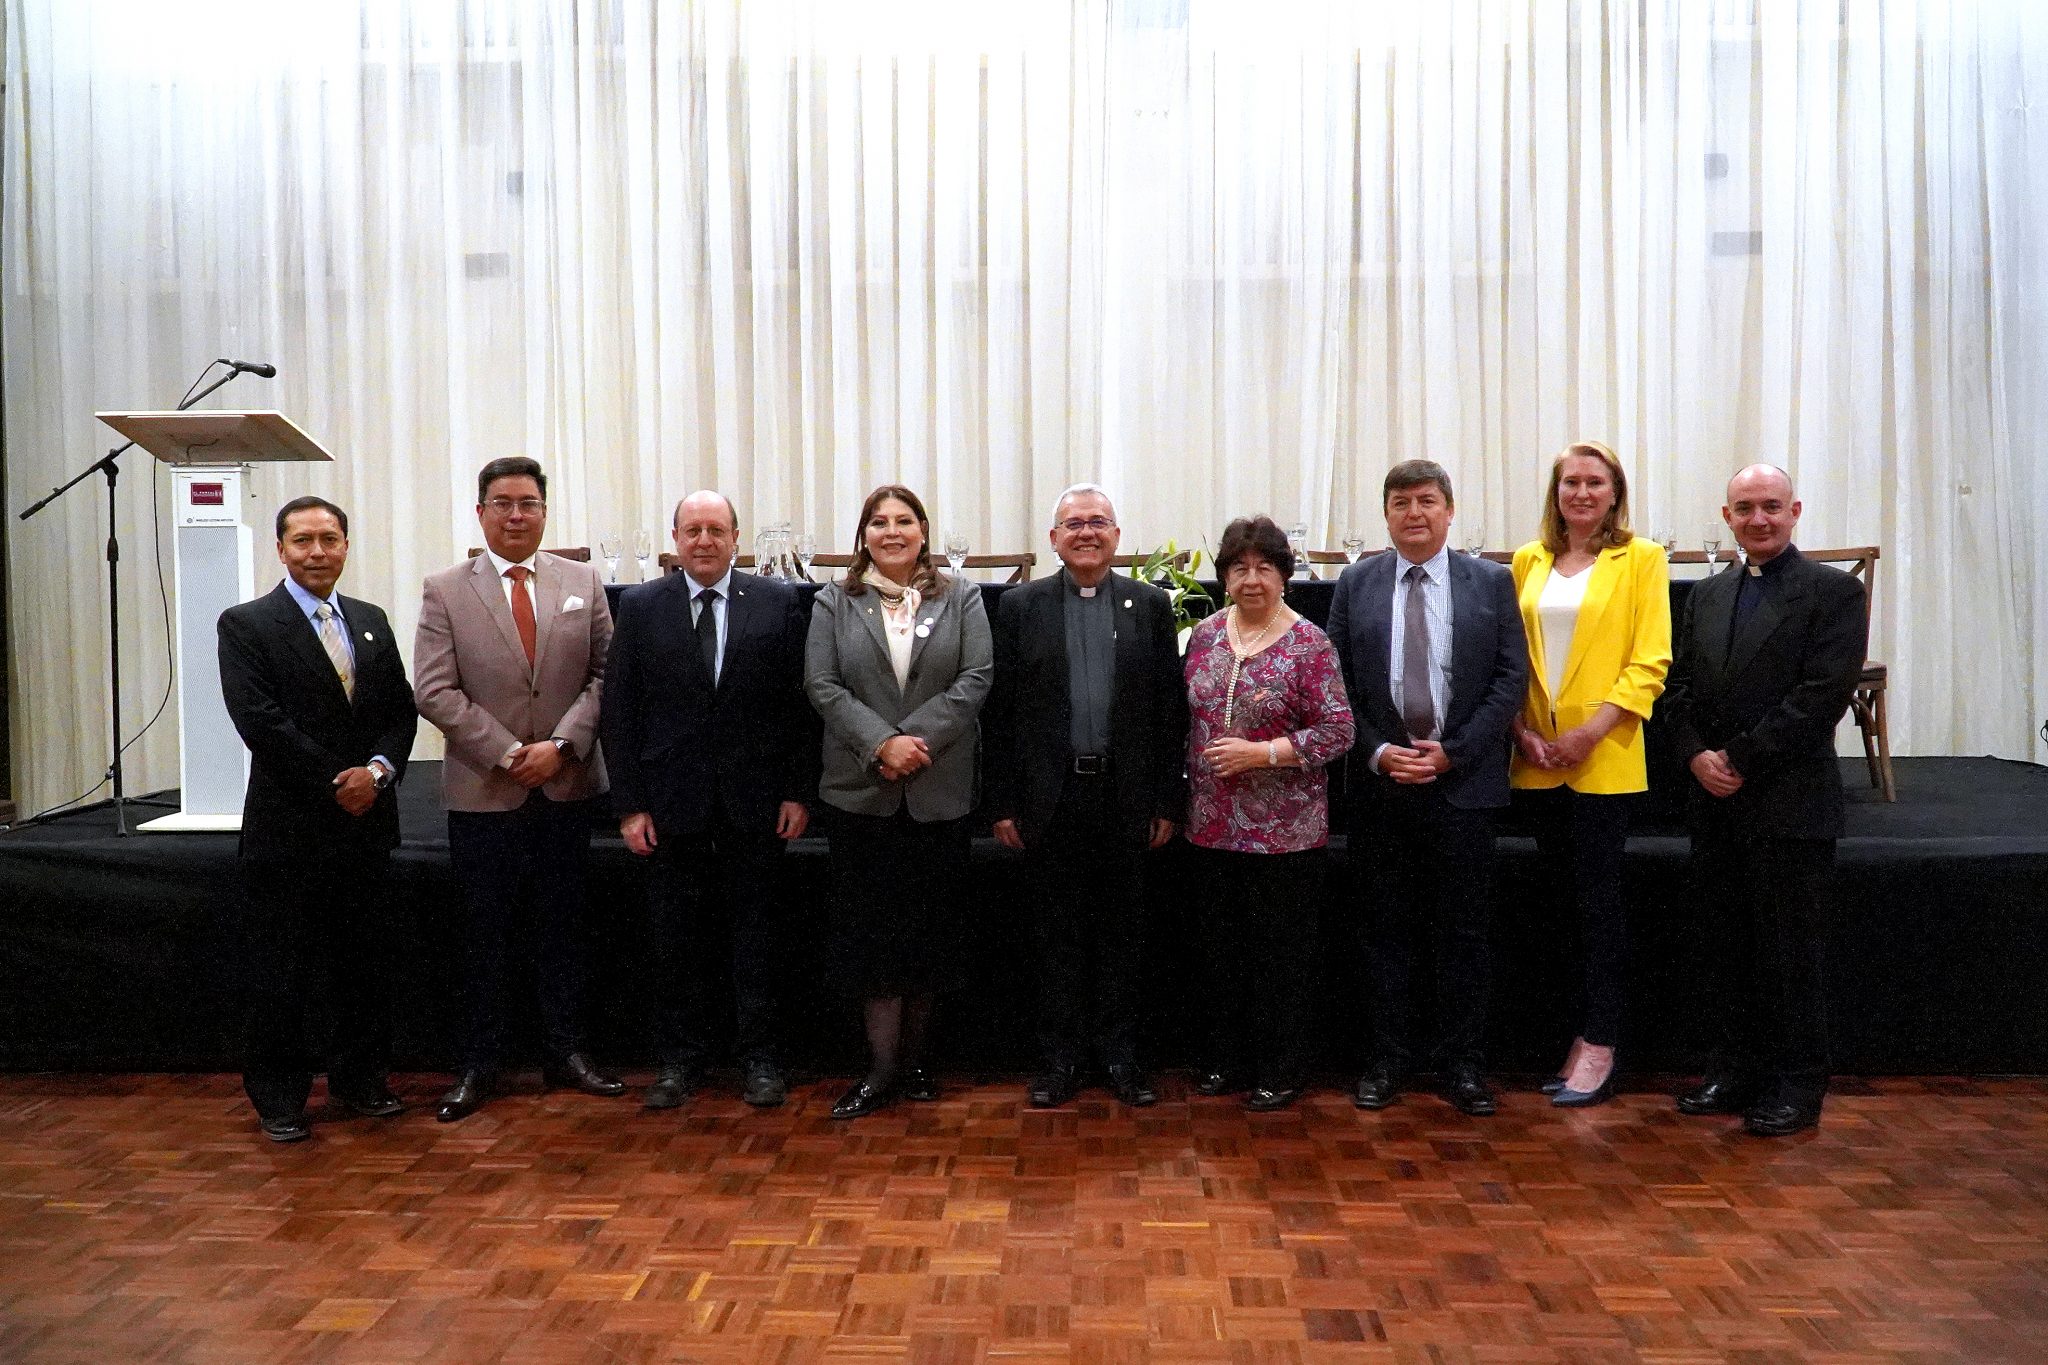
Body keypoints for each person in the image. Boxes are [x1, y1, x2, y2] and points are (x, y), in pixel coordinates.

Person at [413, 457, 624, 1122]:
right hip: (485, 791)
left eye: (528, 503)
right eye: (501, 503)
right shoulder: (446, 589)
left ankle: (568, 1052)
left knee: (565, 930)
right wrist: (507, 752)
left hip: (566, 787)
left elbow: (607, 674)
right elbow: (434, 689)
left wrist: (560, 746)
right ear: (480, 513)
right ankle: (479, 1064)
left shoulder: (582, 582)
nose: (515, 515)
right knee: (485, 935)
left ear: (544, 511)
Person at [1664, 463, 1866, 1137]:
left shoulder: (1833, 592)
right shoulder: (1707, 594)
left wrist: (1740, 759)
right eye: (1745, 507)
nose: (1759, 518)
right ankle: (1734, 1070)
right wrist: (1696, 754)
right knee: (1725, 947)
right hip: (1715, 801)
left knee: (1791, 955)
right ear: (1727, 517)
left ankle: (1797, 1084)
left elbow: (1821, 696)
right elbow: (1678, 688)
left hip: (1788, 801)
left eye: (1771, 506)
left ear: (1794, 511)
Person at [600, 490, 815, 1110]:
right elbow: (620, 711)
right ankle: (679, 1062)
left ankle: (761, 1061)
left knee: (757, 940)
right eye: (692, 530)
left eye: (716, 530)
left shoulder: (777, 601)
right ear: (675, 538)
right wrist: (630, 806)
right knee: (675, 943)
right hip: (670, 805)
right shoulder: (642, 605)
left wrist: (797, 791)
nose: (704, 540)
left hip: (757, 803)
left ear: (736, 538)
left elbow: (800, 707)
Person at [216, 496, 419, 1142]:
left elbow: (400, 711)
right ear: (280, 550)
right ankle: (280, 1099)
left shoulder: (370, 619)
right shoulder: (247, 624)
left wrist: (377, 772)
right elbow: (260, 721)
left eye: (329, 539)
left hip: (366, 826)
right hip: (291, 828)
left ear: (346, 546)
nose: (317, 552)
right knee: (284, 971)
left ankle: (362, 1081)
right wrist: (340, 781)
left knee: (362, 964)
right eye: (302, 540)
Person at [1327, 460, 1527, 1117]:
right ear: (1385, 514)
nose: (1414, 513)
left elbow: (1510, 678)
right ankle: (1387, 1061)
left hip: (1463, 788)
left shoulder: (1491, 582)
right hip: (1382, 789)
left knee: (1464, 935)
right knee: (1383, 933)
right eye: (1400, 503)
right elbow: (1335, 684)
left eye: (1426, 501)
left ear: (1449, 510)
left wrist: (1454, 753)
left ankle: (1462, 1065)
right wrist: (1379, 752)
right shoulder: (1355, 582)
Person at [986, 483, 1188, 1109]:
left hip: (1126, 798)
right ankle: (1060, 1061)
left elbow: (1168, 711)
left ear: (1117, 536)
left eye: (1098, 522)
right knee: (1056, 938)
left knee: (1124, 937)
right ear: (1053, 539)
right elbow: (1000, 713)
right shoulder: (1020, 606)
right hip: (1051, 799)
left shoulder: (1149, 605)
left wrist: (1166, 801)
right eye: (1073, 524)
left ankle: (1121, 1058)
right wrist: (1002, 803)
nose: (1086, 533)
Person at [803, 484, 992, 1119]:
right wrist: (882, 744)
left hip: (938, 792)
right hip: (862, 795)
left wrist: (915, 741)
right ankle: (879, 1069)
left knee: (929, 936)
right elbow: (822, 684)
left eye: (904, 521)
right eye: (879, 522)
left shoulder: (962, 596)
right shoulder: (834, 600)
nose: (892, 532)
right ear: (863, 536)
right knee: (872, 940)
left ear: (922, 531)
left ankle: (915, 1065)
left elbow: (976, 678)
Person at [1507, 441, 1671, 1107]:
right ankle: (1570, 1036)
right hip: (1537, 759)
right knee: (1555, 911)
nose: (1581, 492)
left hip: (1602, 755)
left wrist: (1590, 731)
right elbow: (1510, 658)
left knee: (1599, 908)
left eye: (1594, 483)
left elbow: (1649, 661)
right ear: (1556, 492)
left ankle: (1602, 1041)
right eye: (1570, 482)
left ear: (1614, 493)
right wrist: (1520, 732)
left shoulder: (1642, 558)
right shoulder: (1528, 559)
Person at [1182, 515, 1354, 1111]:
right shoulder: (1205, 635)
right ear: (1224, 576)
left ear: (1284, 574)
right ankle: (1223, 1061)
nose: (1251, 579)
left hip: (1285, 834)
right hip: (1209, 826)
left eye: (1264, 568)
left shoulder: (1310, 643)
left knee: (1280, 960)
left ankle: (1282, 1068)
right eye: (1239, 568)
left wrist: (1264, 753)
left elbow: (1339, 731)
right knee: (1219, 954)